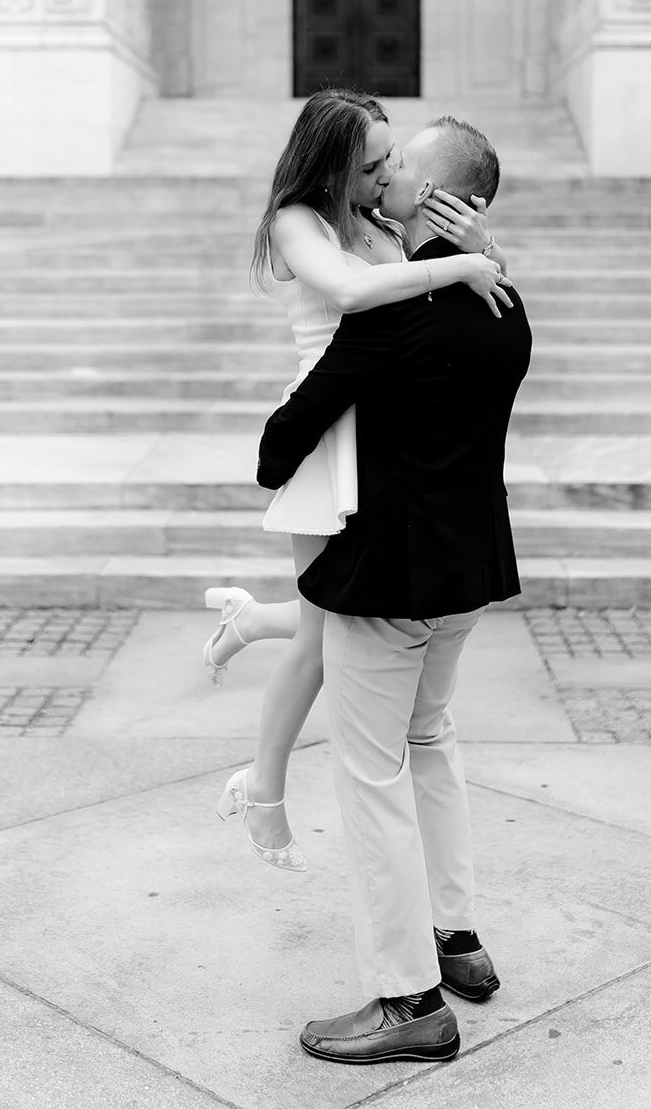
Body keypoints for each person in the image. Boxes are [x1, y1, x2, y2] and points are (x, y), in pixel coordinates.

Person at [256, 115, 532, 1063]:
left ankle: (407, 1000)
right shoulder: (507, 304)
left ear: (447, 198)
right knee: (430, 742)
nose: (384, 177)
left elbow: (280, 443)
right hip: (465, 575)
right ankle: (458, 942)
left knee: (370, 777)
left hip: (391, 581)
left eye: (401, 165)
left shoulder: (393, 313)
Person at [209, 89, 510, 871]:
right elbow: (350, 297)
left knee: (323, 619)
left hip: (375, 435)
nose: (385, 175)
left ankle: (245, 622)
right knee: (318, 637)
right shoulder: (295, 222)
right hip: (322, 435)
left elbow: (423, 315)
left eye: (391, 160)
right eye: (372, 163)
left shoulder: (378, 225)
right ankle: (264, 788)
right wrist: (473, 260)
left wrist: (469, 248)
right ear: (333, 162)